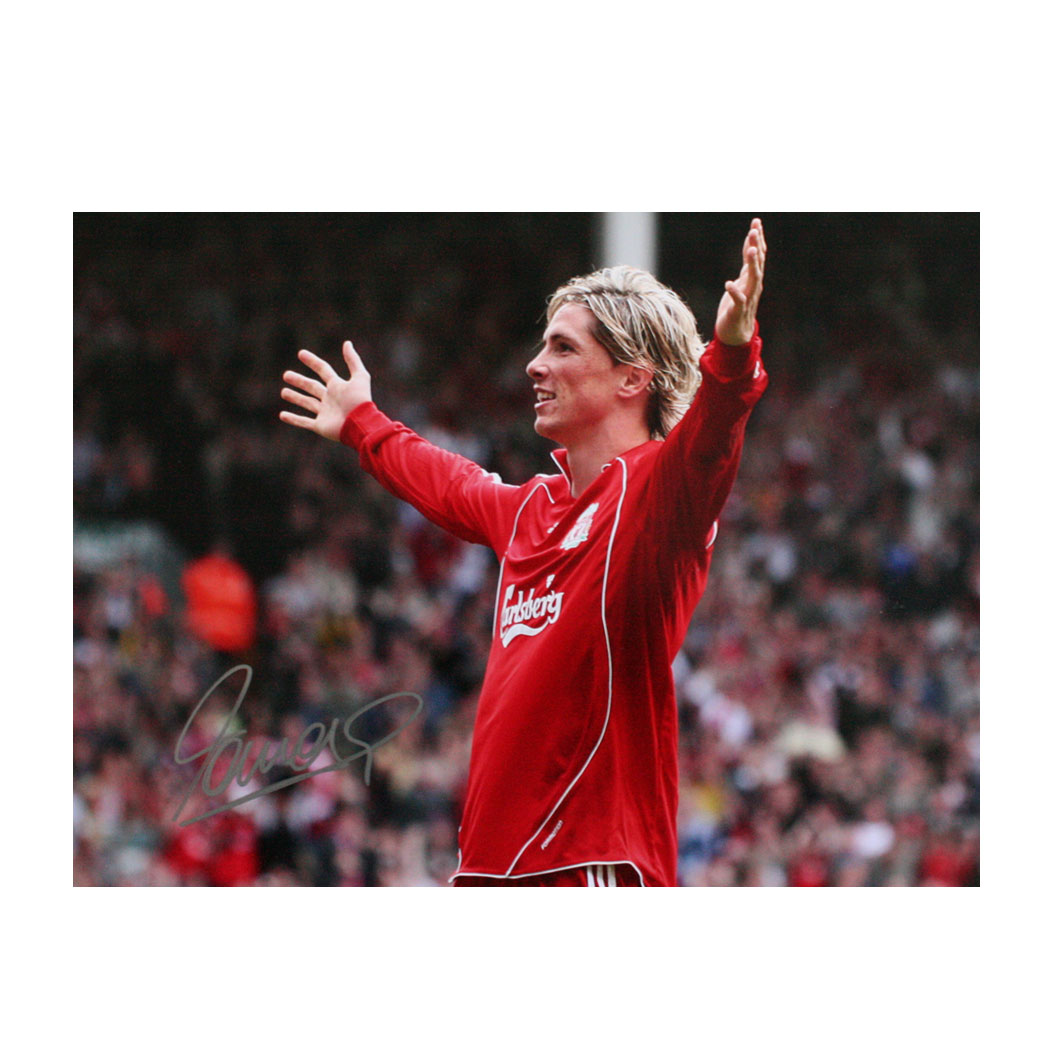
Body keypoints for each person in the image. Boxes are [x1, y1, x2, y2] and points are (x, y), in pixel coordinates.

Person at [280, 218, 769, 886]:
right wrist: (364, 422)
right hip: (492, 870)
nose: (536, 365)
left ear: (632, 378)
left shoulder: (660, 497)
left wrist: (733, 350)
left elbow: (714, 432)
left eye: (563, 348)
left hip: (589, 863)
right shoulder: (533, 510)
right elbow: (450, 484)